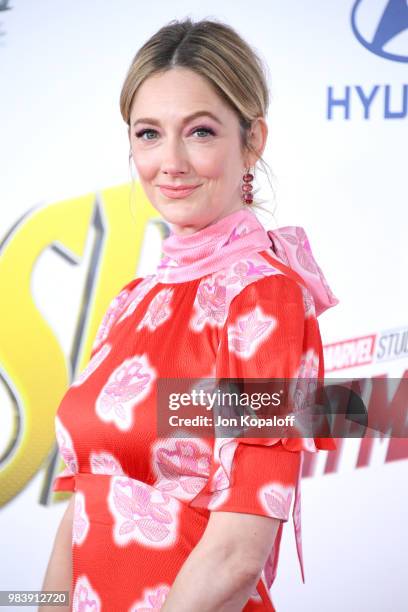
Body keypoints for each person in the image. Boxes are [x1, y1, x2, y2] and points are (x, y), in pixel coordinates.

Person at [41, 17, 338, 612]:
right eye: (148, 134)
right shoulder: (131, 301)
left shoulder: (266, 299)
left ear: (252, 139)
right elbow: (84, 508)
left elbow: (236, 554)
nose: (170, 162)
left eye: (199, 132)